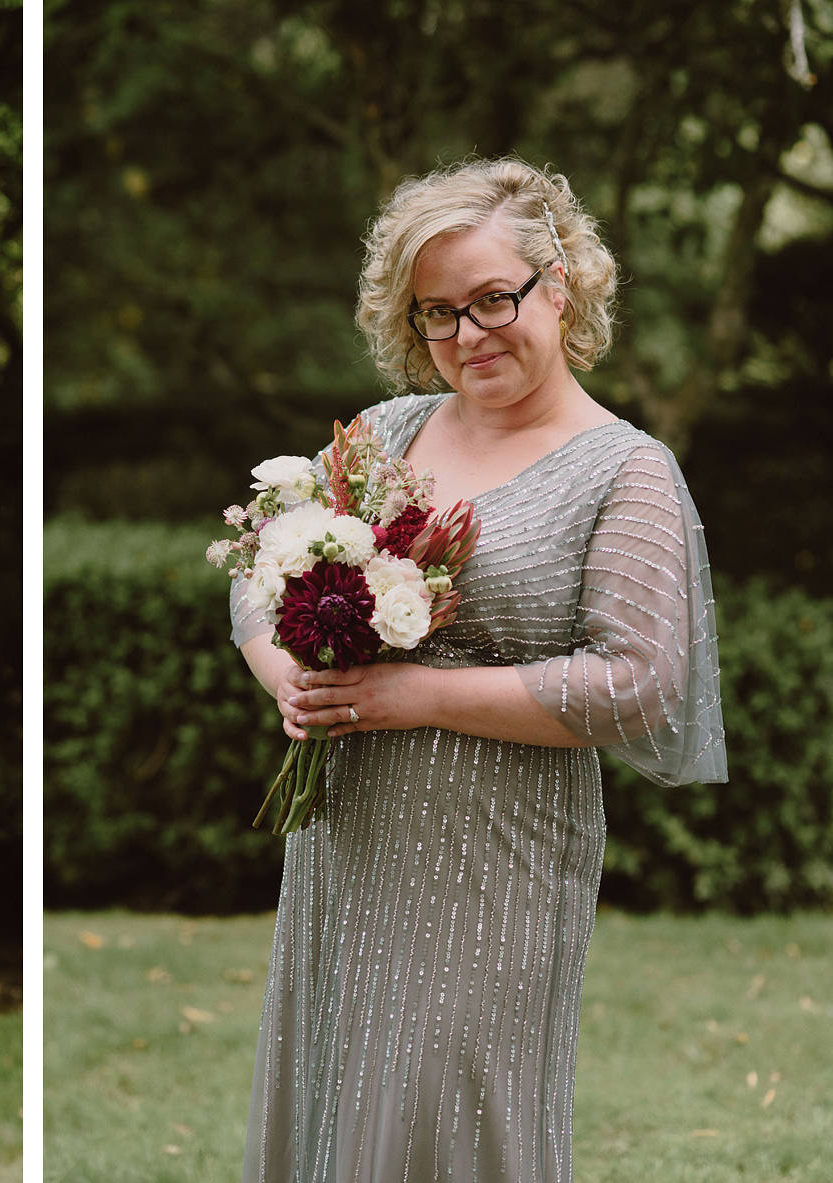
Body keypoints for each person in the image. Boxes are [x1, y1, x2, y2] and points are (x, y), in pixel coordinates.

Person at [230, 159, 725, 1181]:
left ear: (563, 284)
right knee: (337, 1084)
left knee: (450, 1108)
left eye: (492, 298)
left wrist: (408, 697)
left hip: (496, 855)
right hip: (349, 840)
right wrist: (284, 671)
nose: (466, 334)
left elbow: (635, 680)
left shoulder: (623, 469)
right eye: (435, 314)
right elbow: (259, 573)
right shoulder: (381, 435)